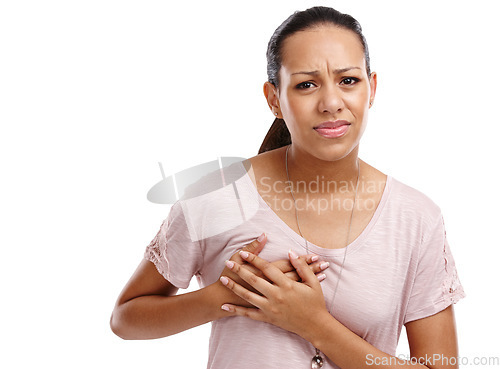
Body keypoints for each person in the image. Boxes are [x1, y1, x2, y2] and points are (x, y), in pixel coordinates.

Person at [110, 6, 465, 369]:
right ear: (274, 98)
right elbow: (125, 319)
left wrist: (314, 323)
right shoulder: (217, 196)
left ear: (371, 89)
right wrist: (223, 295)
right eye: (306, 84)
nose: (330, 103)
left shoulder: (416, 219)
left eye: (348, 81)